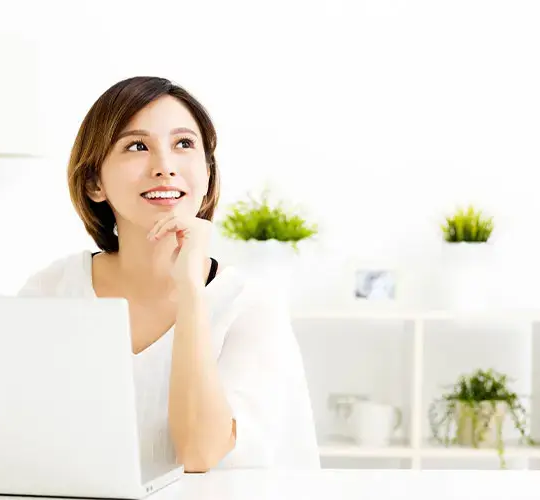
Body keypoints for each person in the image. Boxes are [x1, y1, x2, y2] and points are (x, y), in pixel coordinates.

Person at [18, 76, 319, 472]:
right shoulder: (51, 293)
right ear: (94, 182)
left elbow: (199, 453)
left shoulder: (250, 305)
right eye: (137, 146)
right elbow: (19, 443)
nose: (165, 167)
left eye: (184, 144)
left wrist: (191, 290)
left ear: (207, 174)